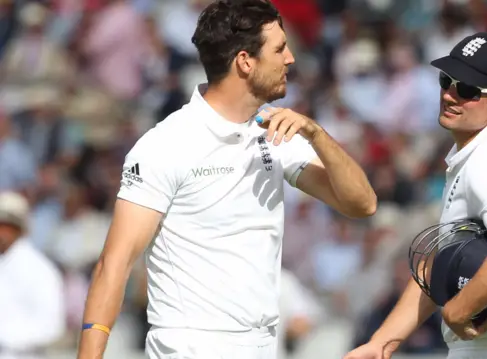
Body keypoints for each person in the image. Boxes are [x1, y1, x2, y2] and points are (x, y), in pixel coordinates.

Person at [76, 1, 377, 359]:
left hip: (264, 343)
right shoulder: (165, 144)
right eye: (279, 49)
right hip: (191, 346)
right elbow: (114, 264)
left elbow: (362, 204)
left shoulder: (275, 131)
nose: (291, 58)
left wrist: (317, 135)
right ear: (245, 61)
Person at [344, 33, 487, 359]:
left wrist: (457, 310)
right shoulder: (472, 155)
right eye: (447, 81)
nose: (450, 95)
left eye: (468, 90)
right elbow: (442, 268)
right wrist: (382, 343)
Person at [0, 191, 66, 358]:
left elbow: (52, 327)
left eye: (5, 224)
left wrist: (7, 337)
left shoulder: (40, 270)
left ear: (19, 228)